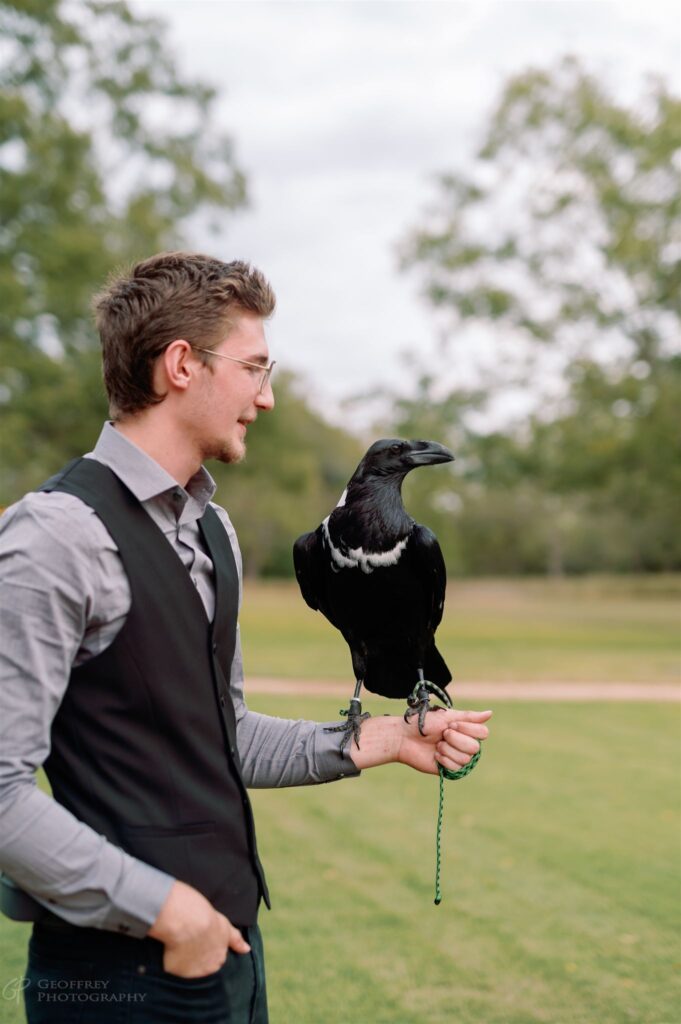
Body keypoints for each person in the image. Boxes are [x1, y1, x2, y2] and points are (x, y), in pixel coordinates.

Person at [0, 251, 492, 1024]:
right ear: (180, 366)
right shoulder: (54, 537)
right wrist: (171, 912)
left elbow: (219, 738)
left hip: (228, 954)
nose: (264, 399)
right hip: (117, 975)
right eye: (255, 369)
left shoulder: (213, 530)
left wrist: (382, 740)